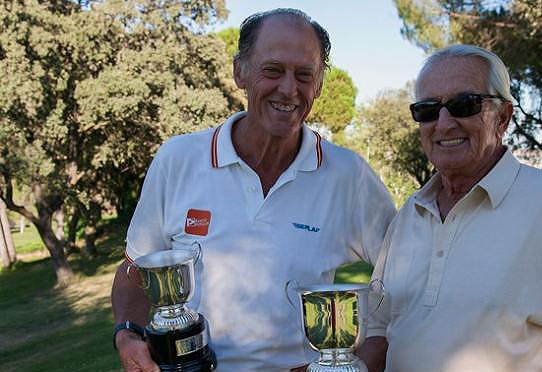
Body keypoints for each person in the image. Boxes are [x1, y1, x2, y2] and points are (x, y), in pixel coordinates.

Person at [111, 8, 395, 372]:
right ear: (240, 72)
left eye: (304, 75)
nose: (289, 89)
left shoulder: (348, 175)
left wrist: (361, 363)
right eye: (273, 70)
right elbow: (136, 269)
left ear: (320, 85)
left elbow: (401, 281)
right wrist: (126, 333)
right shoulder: (178, 159)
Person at [365, 44, 542, 372]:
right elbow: (380, 329)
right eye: (427, 109)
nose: (443, 123)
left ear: (503, 117)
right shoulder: (410, 213)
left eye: (463, 105)